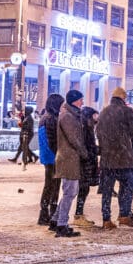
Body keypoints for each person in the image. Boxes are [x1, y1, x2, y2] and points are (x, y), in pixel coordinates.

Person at [97, 87, 133, 228]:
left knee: (107, 190)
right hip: (124, 157)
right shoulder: (127, 111)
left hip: (107, 158)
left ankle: (106, 219)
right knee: (127, 187)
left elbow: (98, 132)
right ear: (123, 98)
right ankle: (124, 215)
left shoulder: (104, 112)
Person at [52, 90, 85, 237]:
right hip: (68, 158)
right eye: (80, 100)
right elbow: (74, 138)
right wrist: (84, 152)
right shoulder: (68, 116)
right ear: (74, 101)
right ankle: (61, 225)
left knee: (69, 192)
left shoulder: (70, 115)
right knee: (70, 192)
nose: (82, 102)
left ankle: (56, 220)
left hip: (69, 157)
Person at [37, 94, 65, 228]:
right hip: (52, 157)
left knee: (50, 185)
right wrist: (59, 153)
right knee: (52, 186)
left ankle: (46, 213)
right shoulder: (51, 118)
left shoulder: (46, 117)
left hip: (48, 156)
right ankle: (48, 213)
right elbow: (52, 140)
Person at [73, 106, 100, 227]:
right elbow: (86, 146)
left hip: (87, 161)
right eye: (94, 116)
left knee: (84, 188)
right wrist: (91, 153)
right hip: (85, 162)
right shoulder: (85, 129)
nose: (96, 118)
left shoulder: (87, 127)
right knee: (83, 188)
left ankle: (79, 213)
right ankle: (78, 214)